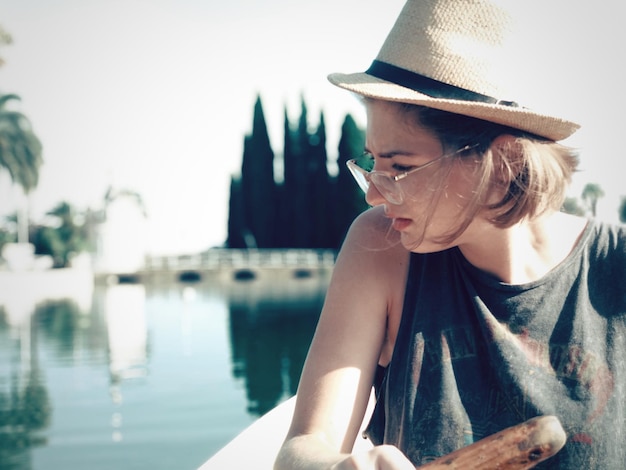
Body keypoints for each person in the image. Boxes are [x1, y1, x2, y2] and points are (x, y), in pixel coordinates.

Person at [274, 0, 626, 468]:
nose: (374, 196)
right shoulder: (380, 248)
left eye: (399, 167)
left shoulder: (614, 267)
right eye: (372, 163)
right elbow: (302, 448)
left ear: (504, 167)